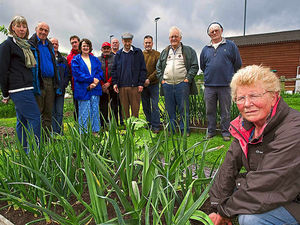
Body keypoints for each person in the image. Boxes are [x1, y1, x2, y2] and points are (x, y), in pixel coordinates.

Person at [209, 65, 300, 225]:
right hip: (275, 191)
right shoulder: (247, 126)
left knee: (250, 218)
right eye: (240, 98)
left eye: (254, 95)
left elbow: (268, 182)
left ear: (274, 97)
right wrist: (216, 207)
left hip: (294, 198)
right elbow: (228, 168)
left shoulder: (293, 129)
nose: (247, 104)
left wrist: (225, 212)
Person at [0, 15, 40, 151]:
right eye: (19, 26)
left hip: (26, 86)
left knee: (22, 121)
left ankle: (23, 152)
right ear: (12, 27)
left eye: (24, 26)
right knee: (35, 118)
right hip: (19, 88)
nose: (22, 29)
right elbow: (3, 70)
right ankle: (34, 153)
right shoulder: (7, 45)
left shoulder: (24, 44)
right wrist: (5, 93)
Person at [200, 22, 242, 141]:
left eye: (216, 30)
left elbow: (237, 63)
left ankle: (225, 132)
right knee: (210, 110)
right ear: (209, 34)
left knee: (225, 110)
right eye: (211, 31)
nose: (214, 33)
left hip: (225, 85)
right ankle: (211, 131)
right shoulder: (205, 49)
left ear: (221, 31)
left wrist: (229, 76)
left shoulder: (230, 46)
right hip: (209, 86)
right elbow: (203, 66)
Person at [156, 26, 199, 136]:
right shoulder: (165, 52)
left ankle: (185, 130)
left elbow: (195, 66)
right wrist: (162, 80)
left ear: (180, 37)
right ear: (169, 38)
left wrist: (187, 79)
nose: (173, 38)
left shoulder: (188, 50)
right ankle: (171, 130)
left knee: (183, 109)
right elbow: (158, 68)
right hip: (167, 85)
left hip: (182, 84)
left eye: (176, 36)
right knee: (170, 110)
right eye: (171, 37)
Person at [28, 22, 61, 136]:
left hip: (50, 82)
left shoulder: (49, 45)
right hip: (38, 82)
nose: (43, 32)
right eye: (41, 29)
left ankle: (47, 139)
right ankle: (36, 141)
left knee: (48, 112)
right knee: (37, 112)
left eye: (46, 30)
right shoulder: (31, 44)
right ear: (36, 29)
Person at [111, 32, 147, 119]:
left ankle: (135, 130)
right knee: (124, 112)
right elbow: (114, 70)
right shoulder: (118, 54)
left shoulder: (138, 52)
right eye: (125, 41)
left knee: (135, 111)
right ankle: (128, 130)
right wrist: (115, 83)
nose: (127, 43)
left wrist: (141, 83)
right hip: (122, 87)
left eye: (129, 41)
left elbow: (143, 69)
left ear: (131, 41)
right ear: (122, 41)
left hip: (135, 87)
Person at [71, 39, 103, 134]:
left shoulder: (94, 59)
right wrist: (91, 80)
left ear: (90, 47)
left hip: (95, 89)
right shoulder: (76, 60)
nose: (86, 48)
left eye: (87, 46)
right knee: (84, 112)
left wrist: (95, 82)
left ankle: (95, 133)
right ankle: (84, 134)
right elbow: (77, 74)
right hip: (83, 89)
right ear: (80, 47)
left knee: (95, 111)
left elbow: (99, 71)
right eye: (84, 46)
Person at [50, 37, 70, 135]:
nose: (55, 45)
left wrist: (64, 85)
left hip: (60, 90)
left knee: (59, 112)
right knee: (52, 112)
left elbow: (67, 75)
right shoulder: (47, 57)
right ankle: (53, 132)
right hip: (50, 90)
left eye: (56, 44)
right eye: (52, 43)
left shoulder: (63, 60)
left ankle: (59, 132)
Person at [142, 35, 160, 133]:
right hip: (143, 85)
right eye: (146, 43)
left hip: (154, 84)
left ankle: (156, 125)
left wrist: (149, 79)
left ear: (152, 43)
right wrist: (142, 80)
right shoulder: (140, 55)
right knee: (145, 106)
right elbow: (138, 69)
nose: (148, 44)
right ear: (143, 44)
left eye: (149, 42)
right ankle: (149, 123)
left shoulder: (157, 54)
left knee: (154, 105)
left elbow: (158, 69)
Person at [67, 35, 80, 121]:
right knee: (77, 107)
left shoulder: (86, 54)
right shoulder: (69, 57)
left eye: (75, 42)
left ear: (79, 42)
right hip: (76, 85)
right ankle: (77, 127)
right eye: (72, 43)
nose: (74, 44)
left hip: (87, 85)